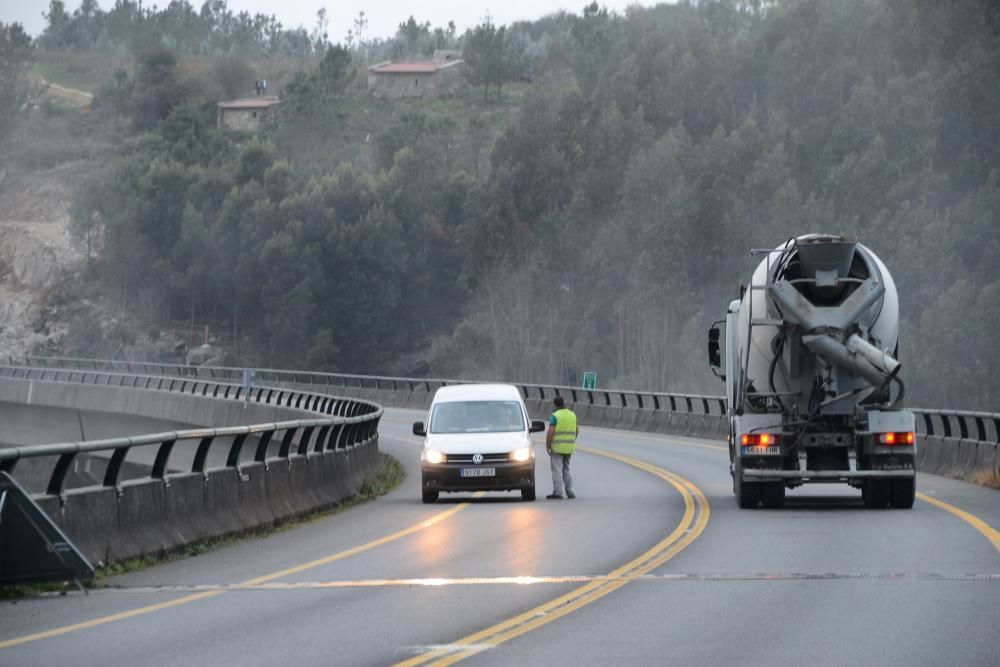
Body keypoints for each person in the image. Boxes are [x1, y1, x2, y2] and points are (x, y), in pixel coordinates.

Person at [546, 396, 578, 499]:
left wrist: (548, 445)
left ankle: (558, 492)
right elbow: (577, 431)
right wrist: (571, 441)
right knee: (566, 469)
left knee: (557, 470)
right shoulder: (572, 415)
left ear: (555, 404)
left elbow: (551, 432)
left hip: (557, 448)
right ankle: (570, 491)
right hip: (569, 448)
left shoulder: (555, 416)